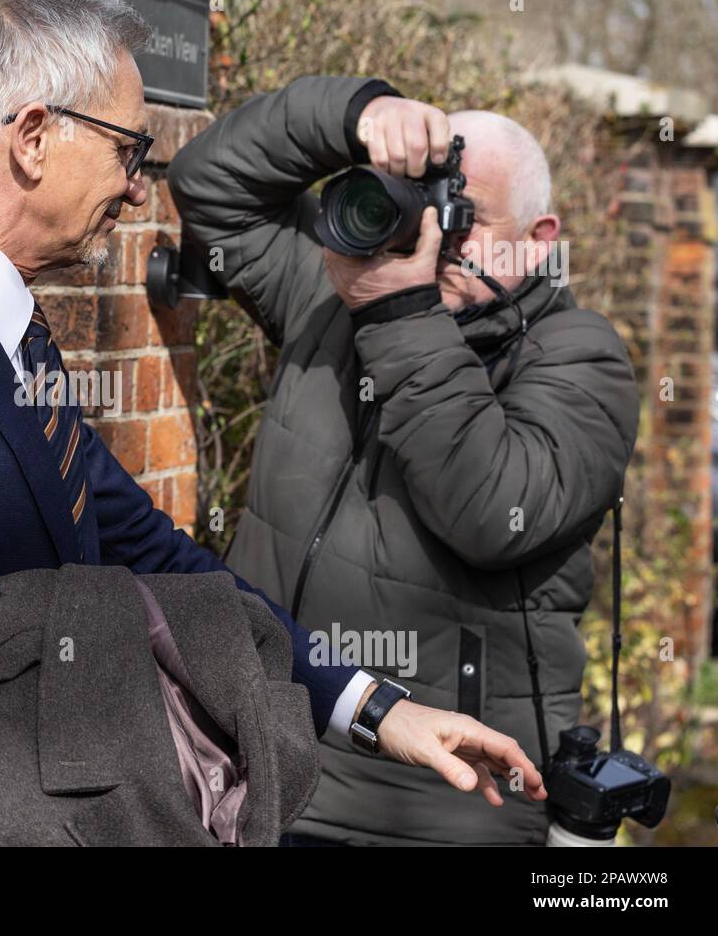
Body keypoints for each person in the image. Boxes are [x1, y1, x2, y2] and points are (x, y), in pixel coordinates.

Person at [0, 0, 546, 846]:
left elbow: (153, 556)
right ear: (33, 137)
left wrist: (375, 709)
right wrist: (89, 674)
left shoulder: (5, 327)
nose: (138, 188)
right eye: (128, 151)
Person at [168, 77, 638, 845]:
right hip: (260, 765)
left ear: (540, 237)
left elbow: (493, 512)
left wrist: (396, 313)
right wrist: (354, 117)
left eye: (466, 218)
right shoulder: (333, 299)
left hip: (434, 804)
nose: (435, 238)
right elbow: (208, 186)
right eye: (424, 206)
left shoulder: (583, 358)